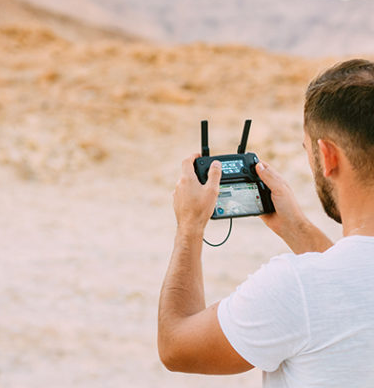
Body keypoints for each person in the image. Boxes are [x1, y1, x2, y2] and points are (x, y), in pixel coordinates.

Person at [157, 59, 374, 387]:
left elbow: (176, 347)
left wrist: (189, 227)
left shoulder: (297, 288)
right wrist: (296, 228)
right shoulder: (325, 286)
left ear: (327, 156)